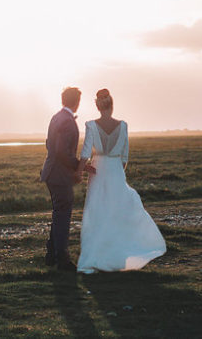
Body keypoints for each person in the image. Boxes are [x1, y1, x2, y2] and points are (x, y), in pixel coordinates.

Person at [76, 88, 166, 274]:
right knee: (117, 213)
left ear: (97, 106)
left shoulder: (91, 125)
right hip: (116, 170)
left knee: (97, 212)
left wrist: (80, 170)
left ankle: (96, 256)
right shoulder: (123, 126)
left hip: (98, 170)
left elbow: (85, 152)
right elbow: (125, 156)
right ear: (112, 105)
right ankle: (119, 257)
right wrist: (117, 171)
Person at [39, 87, 96, 272]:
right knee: (63, 215)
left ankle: (52, 254)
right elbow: (62, 151)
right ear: (77, 102)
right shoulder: (67, 121)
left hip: (51, 172)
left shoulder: (56, 117)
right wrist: (78, 166)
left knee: (59, 213)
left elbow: (50, 144)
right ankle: (62, 259)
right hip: (59, 174)